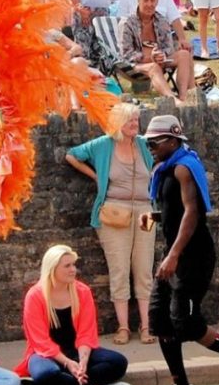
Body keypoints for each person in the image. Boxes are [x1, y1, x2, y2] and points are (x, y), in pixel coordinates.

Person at [142, 115, 219, 385]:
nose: (150, 147)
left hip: (191, 255)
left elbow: (193, 213)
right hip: (175, 252)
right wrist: (154, 217)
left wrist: (173, 255)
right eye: (148, 143)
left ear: (173, 140)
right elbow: (175, 211)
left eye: (154, 142)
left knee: (186, 322)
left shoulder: (183, 168)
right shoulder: (165, 168)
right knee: (160, 320)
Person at [64, 102, 155, 343]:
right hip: (114, 211)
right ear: (118, 123)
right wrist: (96, 176)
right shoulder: (103, 145)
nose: (135, 124)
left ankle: (147, 326)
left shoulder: (145, 144)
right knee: (119, 269)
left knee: (145, 267)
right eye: (129, 120)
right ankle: (124, 327)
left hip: (146, 212)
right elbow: (71, 155)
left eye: (136, 120)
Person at [17, 246, 134, 385]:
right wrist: (67, 363)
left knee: (118, 363)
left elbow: (86, 333)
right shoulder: (35, 295)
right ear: (52, 269)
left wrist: (82, 363)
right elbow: (40, 341)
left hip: (78, 351)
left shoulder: (82, 291)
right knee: (44, 374)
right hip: (46, 354)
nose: (73, 269)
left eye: (73, 264)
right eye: (67, 266)